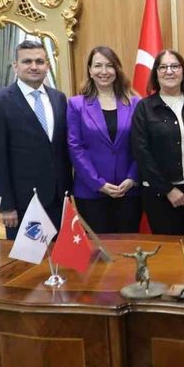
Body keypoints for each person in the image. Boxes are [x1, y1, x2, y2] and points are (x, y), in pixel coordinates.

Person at [0, 40, 71, 240]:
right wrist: (6, 206)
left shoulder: (59, 99)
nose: (34, 66)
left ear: (47, 66)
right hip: (23, 205)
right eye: (27, 61)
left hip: (59, 201)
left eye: (39, 61)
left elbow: (61, 150)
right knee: (28, 259)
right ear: (16, 66)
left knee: (61, 256)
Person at [131, 49, 184, 235]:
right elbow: (141, 152)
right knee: (167, 248)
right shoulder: (144, 108)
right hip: (159, 193)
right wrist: (168, 190)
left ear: (183, 72)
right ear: (156, 73)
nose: (169, 71)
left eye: (175, 66)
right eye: (163, 67)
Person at [67, 46, 140, 233]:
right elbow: (75, 147)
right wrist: (98, 183)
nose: (104, 71)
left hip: (128, 191)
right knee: (98, 247)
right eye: (98, 66)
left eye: (110, 65)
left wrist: (132, 178)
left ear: (117, 69)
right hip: (91, 191)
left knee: (127, 245)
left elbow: (142, 145)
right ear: (90, 70)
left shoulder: (135, 103)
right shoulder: (76, 104)